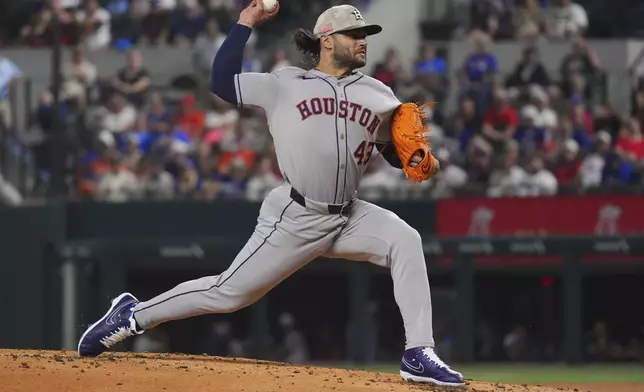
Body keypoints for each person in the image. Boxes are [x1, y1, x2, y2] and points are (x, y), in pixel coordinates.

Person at [76, 2, 464, 387]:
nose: (363, 42)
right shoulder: (285, 83)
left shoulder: (379, 93)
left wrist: (411, 157)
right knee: (227, 293)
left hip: (349, 214)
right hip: (296, 215)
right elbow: (222, 82)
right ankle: (132, 315)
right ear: (327, 41)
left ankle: (418, 353)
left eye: (365, 35)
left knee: (406, 240)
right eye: (355, 34)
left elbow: (393, 150)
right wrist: (246, 22)